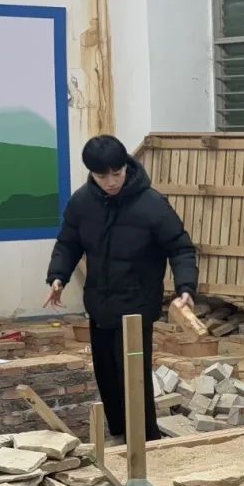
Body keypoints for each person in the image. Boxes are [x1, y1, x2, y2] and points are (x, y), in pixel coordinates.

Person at [44, 134, 198, 443]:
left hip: (137, 305)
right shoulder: (82, 202)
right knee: (106, 374)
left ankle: (145, 441)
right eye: (103, 176)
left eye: (117, 173)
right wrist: (58, 276)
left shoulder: (152, 204)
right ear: (92, 173)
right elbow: (68, 242)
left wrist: (186, 287)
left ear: (126, 166)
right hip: (99, 304)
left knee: (133, 377)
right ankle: (119, 436)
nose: (112, 182)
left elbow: (180, 248)